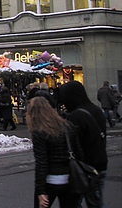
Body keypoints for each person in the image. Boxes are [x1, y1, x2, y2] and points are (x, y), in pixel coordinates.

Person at [58, 80, 108, 208]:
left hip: (83, 167)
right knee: (95, 202)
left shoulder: (76, 116)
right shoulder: (96, 110)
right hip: (100, 163)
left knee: (74, 202)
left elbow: (72, 143)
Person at [27, 96, 83, 208]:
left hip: (51, 179)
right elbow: (79, 152)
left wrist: (40, 190)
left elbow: (41, 162)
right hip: (69, 177)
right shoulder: (67, 126)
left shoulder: (39, 132)